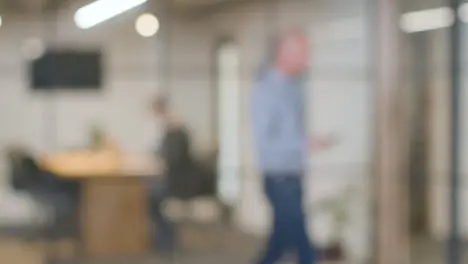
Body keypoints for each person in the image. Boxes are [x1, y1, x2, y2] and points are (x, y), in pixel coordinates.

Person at [251, 29, 337, 264]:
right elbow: (265, 140)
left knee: (279, 244)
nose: (307, 58)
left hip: (293, 174)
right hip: (278, 178)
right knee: (303, 245)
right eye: (302, 52)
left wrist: (307, 142)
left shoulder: (293, 87)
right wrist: (303, 143)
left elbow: (288, 132)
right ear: (283, 53)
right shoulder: (266, 90)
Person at [149, 95, 194, 252]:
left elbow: (171, 161)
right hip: (170, 177)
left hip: (177, 180)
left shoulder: (175, 130)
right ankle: (162, 238)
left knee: (150, 199)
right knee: (148, 195)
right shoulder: (168, 129)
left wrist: (159, 165)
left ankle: (166, 240)